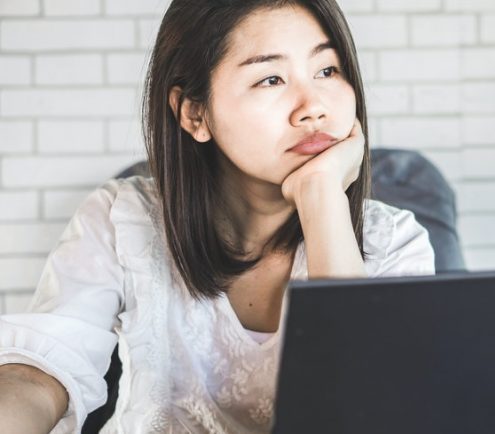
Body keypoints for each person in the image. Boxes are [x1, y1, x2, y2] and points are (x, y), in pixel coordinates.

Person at [0, 0, 435, 432]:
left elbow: (366, 411)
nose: (313, 107)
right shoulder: (123, 218)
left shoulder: (395, 243)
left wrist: (321, 196)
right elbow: (38, 374)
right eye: (270, 78)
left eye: (327, 70)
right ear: (194, 113)